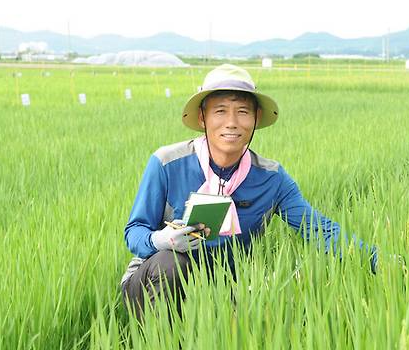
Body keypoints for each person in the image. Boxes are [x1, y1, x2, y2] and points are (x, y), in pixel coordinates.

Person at [120, 64, 377, 321]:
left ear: (255, 118)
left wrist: (380, 260)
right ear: (202, 117)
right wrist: (160, 240)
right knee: (172, 264)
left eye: (242, 112)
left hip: (223, 288)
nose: (231, 123)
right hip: (154, 283)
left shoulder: (271, 178)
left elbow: (319, 229)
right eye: (220, 111)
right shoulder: (167, 163)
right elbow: (135, 230)